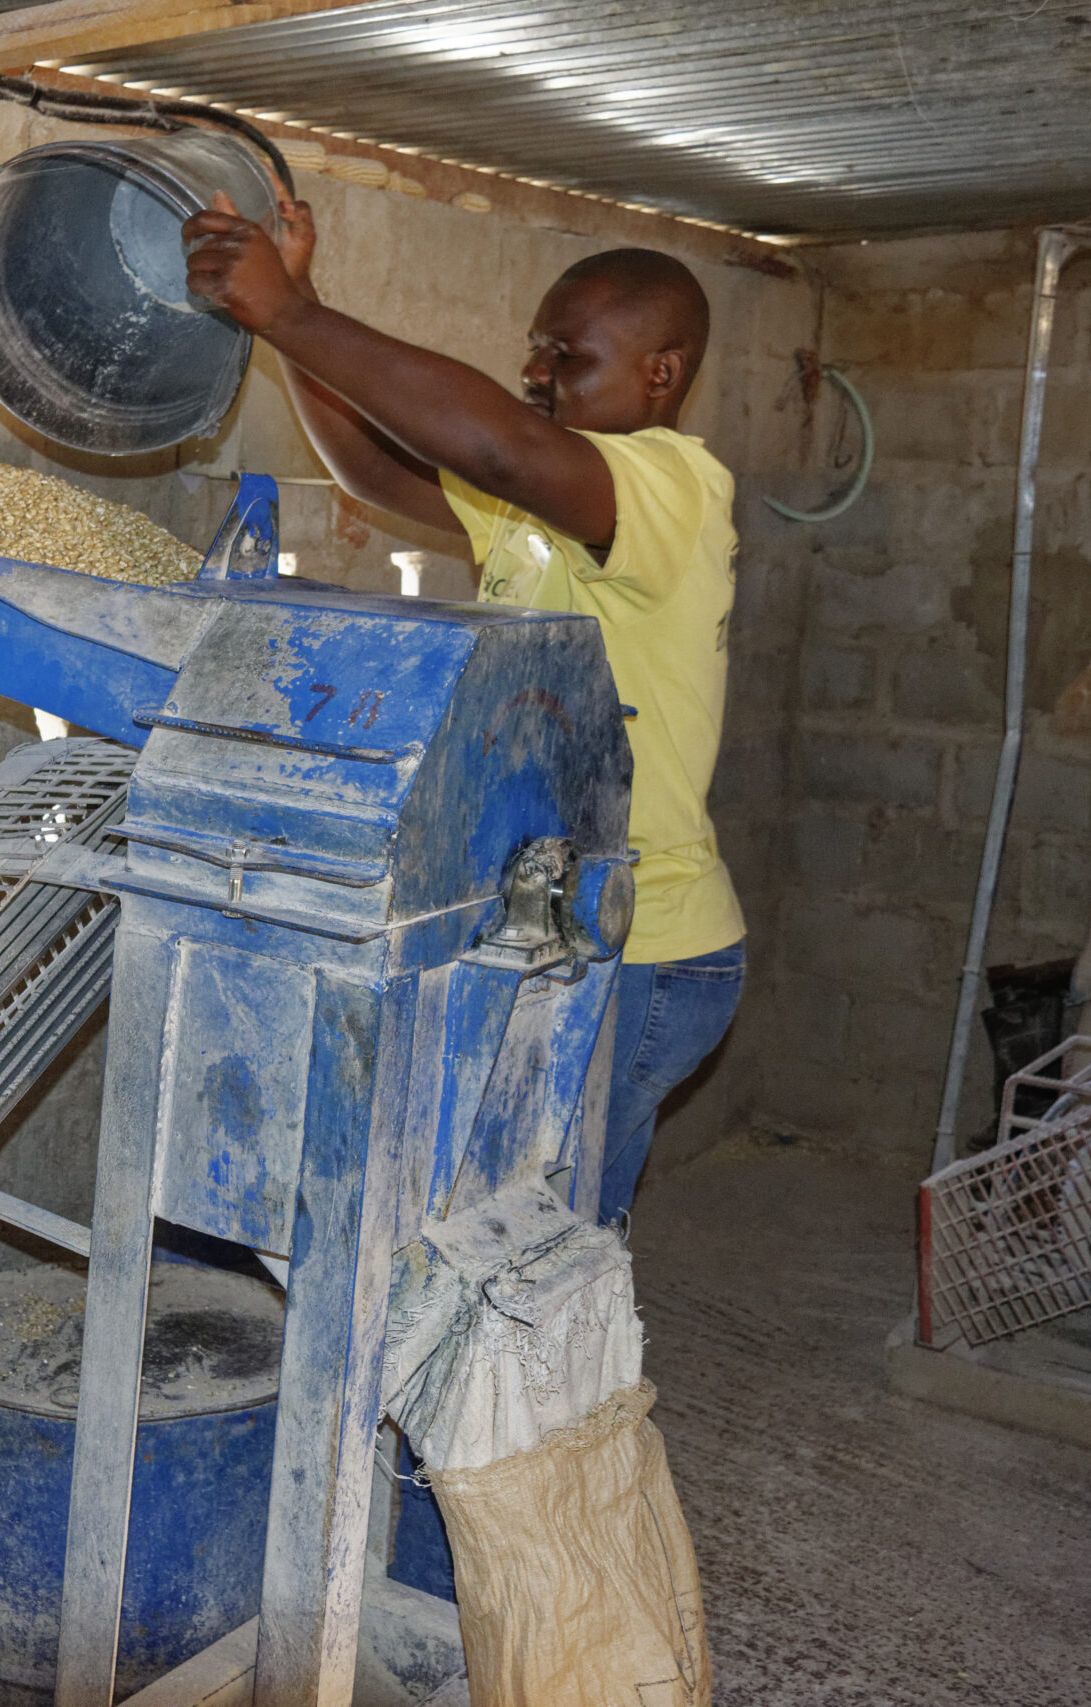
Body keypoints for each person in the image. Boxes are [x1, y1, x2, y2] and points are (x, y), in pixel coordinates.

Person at [183, 193, 747, 1227]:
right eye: (534, 347)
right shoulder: (549, 508)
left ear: (660, 374)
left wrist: (290, 316)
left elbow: (500, 450)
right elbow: (373, 467)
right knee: (506, 1220)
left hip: (643, 946)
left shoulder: (673, 485)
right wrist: (295, 310)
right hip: (564, 926)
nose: (534, 370)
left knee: (545, 1237)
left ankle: (565, 1342)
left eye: (566, 355)